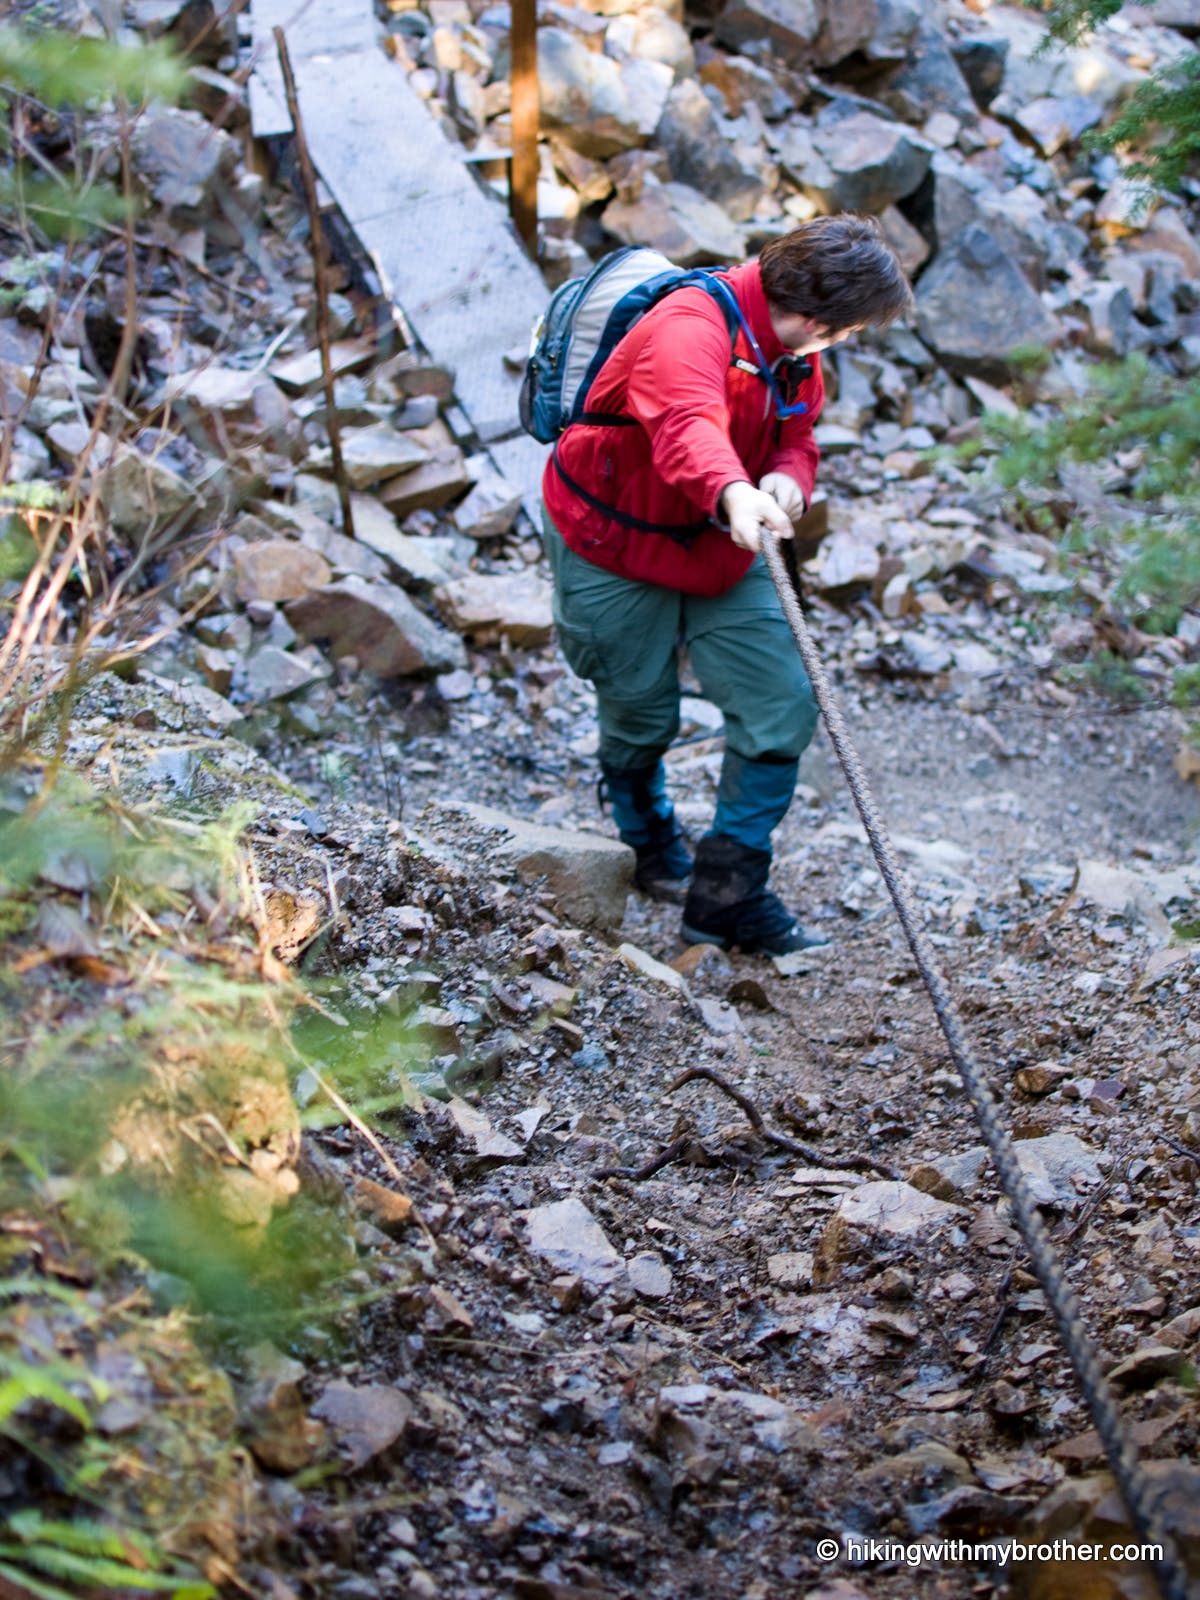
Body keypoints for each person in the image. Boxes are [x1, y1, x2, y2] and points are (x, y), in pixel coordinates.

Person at [541, 214, 914, 956]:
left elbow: (798, 434)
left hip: (721, 546)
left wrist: (787, 478)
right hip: (616, 542)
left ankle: (728, 894)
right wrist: (733, 492)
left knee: (781, 701)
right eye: (845, 331)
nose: (843, 344)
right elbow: (686, 423)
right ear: (815, 315)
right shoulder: (688, 324)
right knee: (640, 710)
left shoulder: (794, 353)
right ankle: (647, 842)